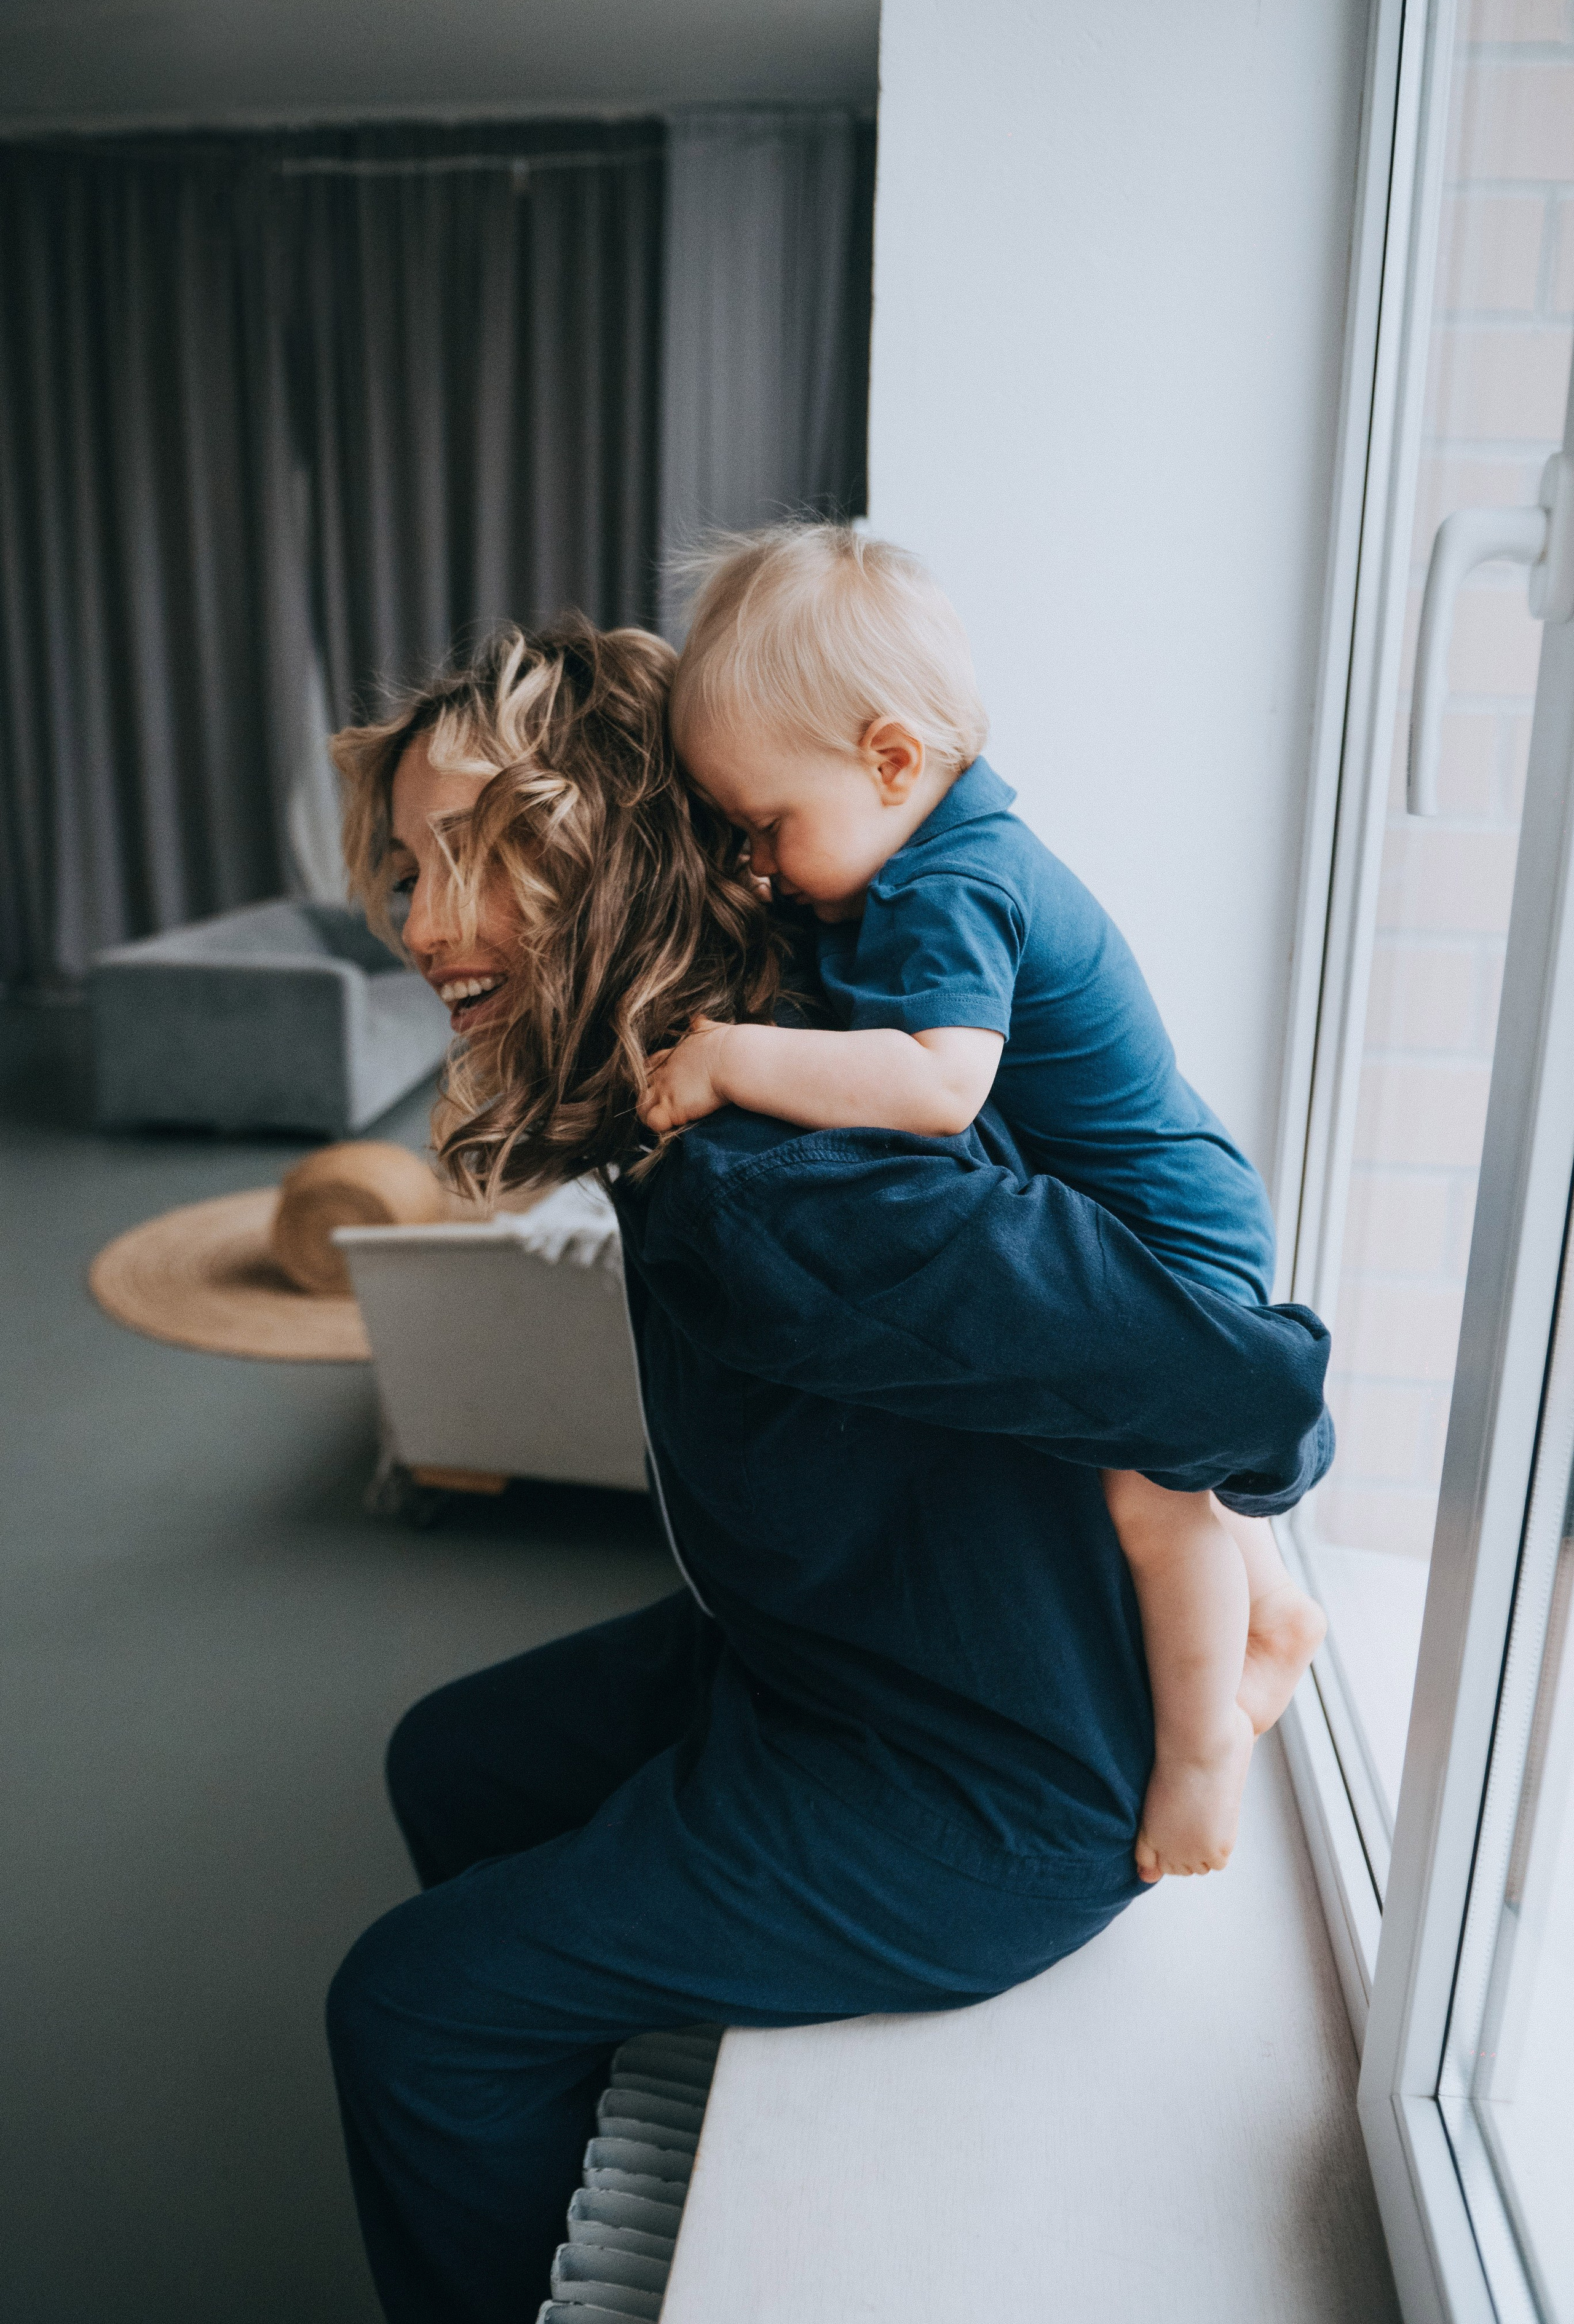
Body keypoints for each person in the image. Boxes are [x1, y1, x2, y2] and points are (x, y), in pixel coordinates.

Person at [326, 618, 1334, 2324]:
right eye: (414, 870)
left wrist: (1251, 1494)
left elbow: (1250, 1386)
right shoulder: (724, 1067)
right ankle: (556, 2107)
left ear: (604, 856)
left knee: (410, 2012)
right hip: (835, 1655)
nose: (424, 927)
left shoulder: (775, 1194)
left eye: (474, 858)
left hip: (987, 1789)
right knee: (451, 1760)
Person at [641, 524, 1327, 1884]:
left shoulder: (950, 883)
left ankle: (1204, 1747)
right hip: (1158, 1191)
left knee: (1151, 1498)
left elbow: (934, 1087)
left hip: (1168, 1226)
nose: (759, 865)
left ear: (891, 761)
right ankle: (1275, 1609)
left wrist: (727, 1056)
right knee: (1156, 1477)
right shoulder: (934, 848)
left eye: (768, 826)